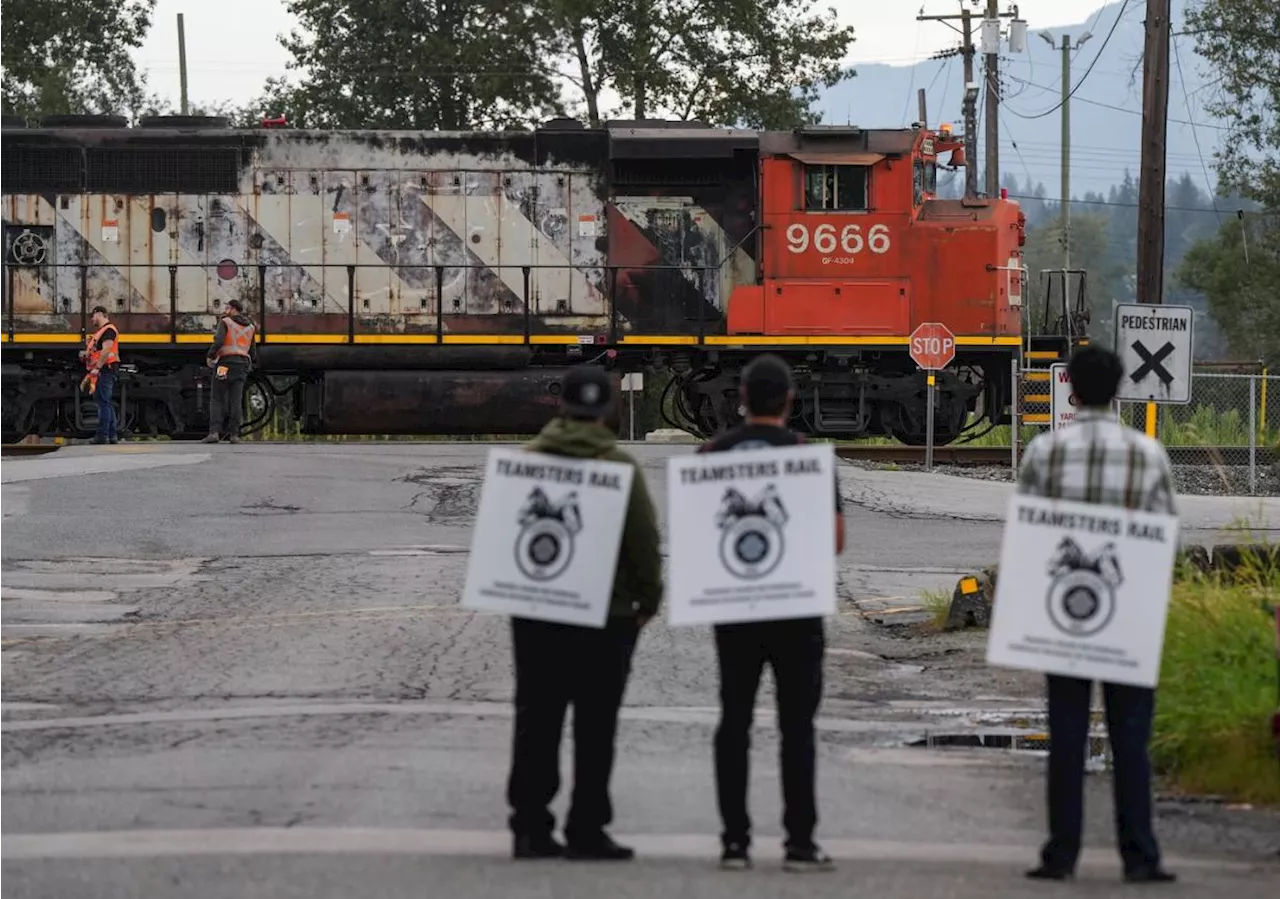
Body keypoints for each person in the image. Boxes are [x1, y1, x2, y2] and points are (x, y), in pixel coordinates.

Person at [1017, 344, 1178, 885]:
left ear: (1070, 389)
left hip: (1065, 611)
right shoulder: (1147, 454)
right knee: (1130, 735)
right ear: (1118, 390)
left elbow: (1029, 536)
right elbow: (1164, 538)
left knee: (1066, 732)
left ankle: (1061, 854)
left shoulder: (1044, 452)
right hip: (1127, 609)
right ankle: (1140, 855)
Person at [506, 365, 663, 862]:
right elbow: (643, 543)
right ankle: (586, 828)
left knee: (537, 716)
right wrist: (648, 600)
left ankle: (530, 827)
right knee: (596, 725)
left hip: (538, 610)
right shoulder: (619, 466)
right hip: (607, 617)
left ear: (561, 406)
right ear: (606, 412)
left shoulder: (525, 462)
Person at [697, 354, 845, 873]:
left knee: (733, 720)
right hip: (796, 612)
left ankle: (734, 843)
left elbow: (699, 534)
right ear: (789, 400)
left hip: (736, 608)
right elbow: (835, 540)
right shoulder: (807, 456)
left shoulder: (713, 453)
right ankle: (800, 843)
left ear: (741, 398)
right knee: (797, 725)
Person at [202, 300, 257, 444]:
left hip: (224, 365)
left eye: (227, 308)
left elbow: (219, 341)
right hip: (241, 366)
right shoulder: (251, 327)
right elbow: (253, 351)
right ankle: (234, 435)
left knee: (217, 398)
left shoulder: (226, 322)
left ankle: (214, 433)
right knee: (236, 400)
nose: (225, 310)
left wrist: (210, 355)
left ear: (233, 309)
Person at [79, 306, 120, 445]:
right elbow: (98, 351)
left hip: (105, 370)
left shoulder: (108, 330)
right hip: (105, 369)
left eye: (93, 316)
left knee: (103, 403)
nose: (91, 319)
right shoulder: (101, 332)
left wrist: (97, 368)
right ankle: (112, 435)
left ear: (100, 314)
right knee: (106, 403)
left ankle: (102, 436)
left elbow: (107, 350)